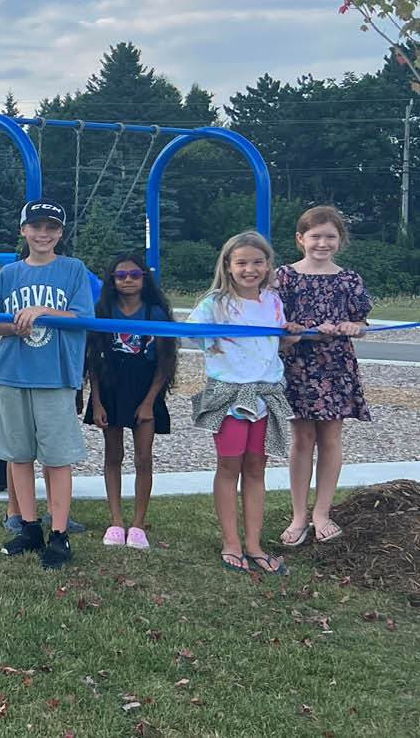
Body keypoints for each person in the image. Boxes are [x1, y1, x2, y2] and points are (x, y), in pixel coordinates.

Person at [0, 201, 94, 570]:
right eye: (36, 226)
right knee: (18, 453)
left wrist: (43, 312)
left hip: (55, 375)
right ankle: (29, 527)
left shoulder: (73, 270)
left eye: (51, 227)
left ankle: (60, 533)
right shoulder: (9, 274)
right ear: (23, 230)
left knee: (57, 456)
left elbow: (83, 318)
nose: (43, 234)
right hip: (13, 373)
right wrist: (14, 324)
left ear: (61, 234)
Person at [188, 231, 296, 577]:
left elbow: (280, 341)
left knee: (256, 468)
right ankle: (231, 542)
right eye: (242, 263)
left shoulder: (273, 302)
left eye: (257, 262)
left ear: (267, 266)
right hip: (231, 397)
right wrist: (215, 341)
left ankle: (254, 543)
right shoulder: (214, 304)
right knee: (229, 466)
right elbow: (189, 333)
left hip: (266, 395)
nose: (250, 269)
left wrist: (291, 334)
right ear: (229, 266)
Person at [274, 205, 372, 548]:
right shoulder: (284, 277)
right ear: (301, 239)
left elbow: (361, 322)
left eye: (330, 236)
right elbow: (276, 325)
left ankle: (322, 513)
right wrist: (297, 330)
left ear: (339, 240)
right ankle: (299, 514)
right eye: (315, 236)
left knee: (331, 438)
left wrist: (352, 328)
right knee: (302, 439)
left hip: (336, 366)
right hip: (299, 366)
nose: (322, 243)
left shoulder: (349, 279)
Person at [82, 252, 177, 550]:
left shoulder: (156, 314)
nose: (127, 280)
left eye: (134, 275)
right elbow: (94, 362)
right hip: (110, 388)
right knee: (113, 455)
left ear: (144, 278)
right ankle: (116, 521)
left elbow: (164, 362)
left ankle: (138, 524)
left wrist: (150, 400)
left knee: (143, 458)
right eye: (121, 275)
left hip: (145, 389)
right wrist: (96, 402)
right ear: (112, 279)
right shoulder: (103, 311)